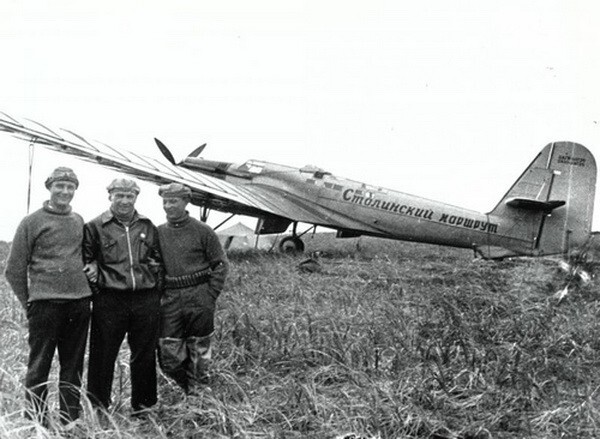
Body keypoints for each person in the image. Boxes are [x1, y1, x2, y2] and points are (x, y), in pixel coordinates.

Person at [4, 167, 92, 425]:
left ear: (75, 190)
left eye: (70, 187)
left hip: (78, 303)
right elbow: (14, 269)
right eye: (59, 186)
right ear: (49, 188)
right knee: (39, 365)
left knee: (73, 365)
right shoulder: (31, 222)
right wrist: (29, 302)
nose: (65, 192)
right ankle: (35, 422)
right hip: (45, 306)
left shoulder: (78, 220)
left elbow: (85, 256)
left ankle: (69, 420)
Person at [82, 178, 162, 415]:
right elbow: (86, 261)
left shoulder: (148, 226)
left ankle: (143, 407)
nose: (125, 201)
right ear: (110, 197)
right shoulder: (95, 226)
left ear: (136, 197)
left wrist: (153, 284)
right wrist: (100, 290)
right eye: (120, 196)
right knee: (102, 354)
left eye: (130, 196)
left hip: (145, 299)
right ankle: (98, 407)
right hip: (110, 300)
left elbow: (156, 258)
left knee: (145, 355)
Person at [156, 183, 229, 395]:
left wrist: (210, 294)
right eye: (165, 201)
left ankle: (199, 394)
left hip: (199, 295)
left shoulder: (202, 231)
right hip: (171, 298)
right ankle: (181, 387)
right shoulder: (159, 232)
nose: (169, 206)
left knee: (199, 347)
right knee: (169, 351)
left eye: (174, 201)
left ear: (186, 202)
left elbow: (221, 264)